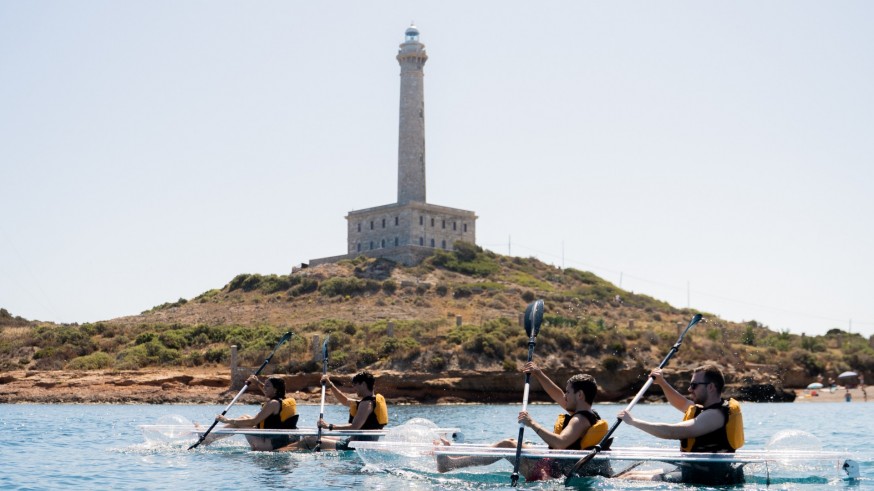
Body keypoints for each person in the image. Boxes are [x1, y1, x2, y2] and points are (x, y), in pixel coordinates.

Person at [435, 362, 610, 481]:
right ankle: (452, 460)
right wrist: (538, 374)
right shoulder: (587, 413)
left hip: (550, 473)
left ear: (579, 395)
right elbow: (558, 395)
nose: (564, 396)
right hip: (554, 467)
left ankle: (450, 464)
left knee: (508, 445)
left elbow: (560, 443)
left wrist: (532, 423)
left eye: (568, 392)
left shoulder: (579, 419)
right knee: (515, 443)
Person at [616, 365, 745, 485]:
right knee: (628, 474)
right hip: (692, 471)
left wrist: (633, 421)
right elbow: (681, 403)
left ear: (711, 387)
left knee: (628, 478)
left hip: (707, 478)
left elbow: (673, 432)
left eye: (694, 385)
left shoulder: (715, 415)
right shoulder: (705, 409)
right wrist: (661, 382)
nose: (690, 389)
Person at [279, 370, 388, 451]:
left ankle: (278, 453)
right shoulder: (368, 402)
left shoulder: (366, 404)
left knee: (308, 441)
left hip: (354, 446)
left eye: (356, 385)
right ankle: (281, 450)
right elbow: (345, 400)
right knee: (311, 437)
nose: (354, 389)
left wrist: (329, 426)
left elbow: (355, 427)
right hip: (352, 442)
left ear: (363, 384)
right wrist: (330, 385)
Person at [213, 375, 299, 451]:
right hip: (278, 442)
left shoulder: (273, 403)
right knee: (245, 417)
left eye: (267, 386)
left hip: (267, 446)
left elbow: (253, 422)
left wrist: (227, 420)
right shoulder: (282, 401)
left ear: (275, 389)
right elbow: (267, 391)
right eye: (264, 385)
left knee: (241, 422)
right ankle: (211, 437)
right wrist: (257, 383)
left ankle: (210, 438)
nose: (264, 387)